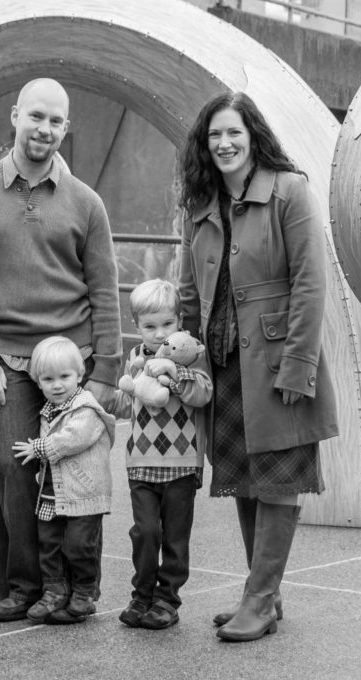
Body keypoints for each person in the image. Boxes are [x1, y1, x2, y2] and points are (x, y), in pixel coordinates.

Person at [0, 78, 121, 621]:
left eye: (55, 121)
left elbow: (104, 291)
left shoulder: (87, 203)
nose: (44, 129)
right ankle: (26, 586)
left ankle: (77, 590)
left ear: (67, 128)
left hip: (73, 364)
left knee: (77, 479)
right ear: (14, 115)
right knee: (16, 472)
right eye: (35, 116)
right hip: (6, 364)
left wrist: (105, 373)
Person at [176, 92, 339, 642]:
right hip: (221, 362)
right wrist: (181, 357)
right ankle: (262, 593)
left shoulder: (289, 191)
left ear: (254, 137)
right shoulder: (199, 201)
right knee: (245, 480)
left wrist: (299, 364)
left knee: (276, 482)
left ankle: (261, 599)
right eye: (214, 135)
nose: (223, 144)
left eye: (234, 134)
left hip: (275, 363)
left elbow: (311, 284)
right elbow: (186, 292)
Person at [112, 279, 212, 630]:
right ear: (136, 326)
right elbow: (128, 403)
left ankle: (167, 600)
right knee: (145, 531)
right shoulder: (135, 358)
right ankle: (141, 595)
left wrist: (173, 376)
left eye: (167, 324)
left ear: (179, 322)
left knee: (174, 536)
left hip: (181, 466)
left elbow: (202, 393)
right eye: (149, 326)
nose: (158, 333)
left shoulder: (191, 355)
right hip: (140, 463)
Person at [13, 336, 115, 625]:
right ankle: (55, 591)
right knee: (49, 544)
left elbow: (73, 438)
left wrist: (38, 448)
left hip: (83, 493)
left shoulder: (85, 408)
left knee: (79, 544)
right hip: (52, 491)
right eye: (48, 379)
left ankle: (84, 592)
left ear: (80, 374)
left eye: (64, 377)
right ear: (37, 382)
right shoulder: (47, 410)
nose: (57, 384)